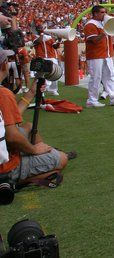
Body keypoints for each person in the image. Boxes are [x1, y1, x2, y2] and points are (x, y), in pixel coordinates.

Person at [0, 49, 70, 186]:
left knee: (28, 126)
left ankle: (38, 155)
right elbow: (12, 136)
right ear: (4, 65)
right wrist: (34, 150)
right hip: (4, 167)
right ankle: (18, 180)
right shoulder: (3, 94)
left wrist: (32, 92)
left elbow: (10, 119)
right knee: (62, 159)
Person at [83, 5, 114, 108]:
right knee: (96, 77)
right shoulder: (90, 24)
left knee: (109, 76)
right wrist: (104, 32)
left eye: (105, 12)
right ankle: (91, 100)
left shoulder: (103, 24)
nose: (104, 14)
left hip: (106, 55)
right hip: (95, 56)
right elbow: (94, 40)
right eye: (102, 12)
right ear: (95, 14)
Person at [31, 21, 62, 96]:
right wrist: (42, 33)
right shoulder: (34, 36)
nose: (41, 28)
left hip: (52, 57)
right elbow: (39, 41)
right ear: (37, 29)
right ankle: (41, 90)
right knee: (41, 75)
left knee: (55, 73)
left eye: (42, 27)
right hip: (41, 57)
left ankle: (53, 89)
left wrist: (59, 40)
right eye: (39, 27)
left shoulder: (49, 37)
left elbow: (55, 46)